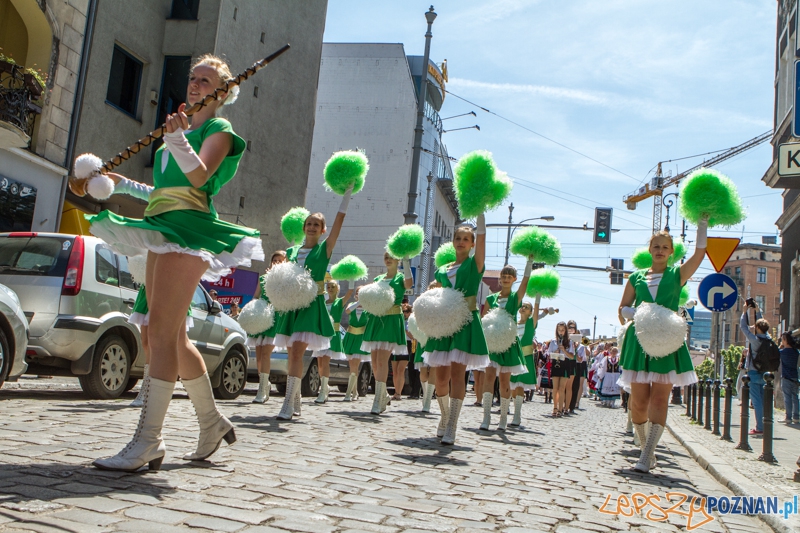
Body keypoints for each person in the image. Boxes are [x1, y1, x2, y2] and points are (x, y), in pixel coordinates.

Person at [91, 54, 262, 471]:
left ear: (223, 92)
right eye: (192, 78)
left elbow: (199, 178)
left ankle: (147, 441)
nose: (195, 85)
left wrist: (176, 138)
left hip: (187, 233)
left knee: (164, 336)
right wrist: (121, 183)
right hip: (162, 225)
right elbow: (164, 192)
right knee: (156, 334)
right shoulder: (178, 131)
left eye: (205, 81)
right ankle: (211, 422)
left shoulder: (219, 130)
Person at [618, 224, 706, 474]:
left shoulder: (678, 274)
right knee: (638, 404)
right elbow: (622, 308)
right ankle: (645, 446)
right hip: (640, 341)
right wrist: (640, 314)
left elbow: (700, 254)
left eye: (665, 247)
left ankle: (647, 455)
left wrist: (702, 223)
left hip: (667, 343)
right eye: (656, 246)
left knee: (659, 398)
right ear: (649, 249)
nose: (659, 250)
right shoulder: (636, 277)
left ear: (671, 252)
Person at [273, 204, 350, 420]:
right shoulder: (292, 251)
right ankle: (296, 401)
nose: (312, 227)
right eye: (309, 224)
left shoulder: (324, 249)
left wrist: (345, 197)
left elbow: (339, 224)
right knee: (292, 354)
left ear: (323, 230)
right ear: (303, 227)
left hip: (311, 304)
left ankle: (287, 404)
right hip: (293, 306)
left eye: (317, 224)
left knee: (297, 352)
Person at [423, 217, 488, 445]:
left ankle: (452, 425)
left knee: (458, 375)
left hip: (464, 323)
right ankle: (444, 416)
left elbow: (482, 241)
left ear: (471, 244)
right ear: (453, 242)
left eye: (466, 239)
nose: (461, 242)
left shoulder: (474, 265)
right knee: (440, 378)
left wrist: (480, 214)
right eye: (458, 238)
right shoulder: (442, 270)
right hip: (444, 325)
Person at [480, 263, 532, 431]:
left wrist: (529, 263)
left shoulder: (516, 299)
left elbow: (525, 282)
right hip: (492, 344)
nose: (506, 279)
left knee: (504, 381)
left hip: (508, 343)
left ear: (513, 279)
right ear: (500, 279)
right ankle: (486, 416)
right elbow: (484, 320)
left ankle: (503, 417)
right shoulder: (490, 299)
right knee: (488, 377)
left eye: (509, 277)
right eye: (503, 276)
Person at [362, 252, 413, 414]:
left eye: (391, 257)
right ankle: (382, 394)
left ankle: (378, 399)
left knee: (383, 361)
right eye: (385, 257)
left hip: (391, 320)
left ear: (397, 260)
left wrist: (406, 262)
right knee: (375, 362)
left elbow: (409, 284)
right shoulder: (378, 279)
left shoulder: (400, 278)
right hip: (377, 320)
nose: (388, 259)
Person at [248, 250, 287, 404]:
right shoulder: (263, 278)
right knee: (258, 356)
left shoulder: (285, 280)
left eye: (280, 260)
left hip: (275, 318)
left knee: (265, 354)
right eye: (274, 260)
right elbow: (256, 296)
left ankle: (261, 390)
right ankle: (266, 384)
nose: (277, 262)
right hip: (261, 317)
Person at [313, 280, 353, 404]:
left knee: (325, 361)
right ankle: (325, 387)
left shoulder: (340, 302)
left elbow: (350, 292)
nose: (330, 288)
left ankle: (323, 390)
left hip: (333, 334)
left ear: (338, 289)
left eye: (333, 286)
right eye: (328, 286)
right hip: (322, 334)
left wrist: (351, 277)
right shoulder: (323, 303)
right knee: (319, 363)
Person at [509, 300, 548, 426]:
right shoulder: (513, 322)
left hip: (525, 357)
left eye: (527, 307)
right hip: (513, 356)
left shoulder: (531, 323)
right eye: (522, 306)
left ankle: (517, 415)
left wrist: (537, 296)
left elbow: (537, 311)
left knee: (520, 385)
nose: (523, 308)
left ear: (531, 312)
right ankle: (514, 411)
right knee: (513, 386)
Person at [738, 304, 771, 434]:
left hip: (753, 372)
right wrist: (757, 311)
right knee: (763, 401)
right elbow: (762, 326)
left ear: (757, 328)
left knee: (756, 402)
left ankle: (760, 428)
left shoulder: (754, 340)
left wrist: (745, 311)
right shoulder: (768, 339)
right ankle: (766, 425)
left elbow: (743, 327)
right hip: (765, 374)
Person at [342, 287, 369, 401]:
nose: (359, 294)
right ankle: (354, 392)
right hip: (351, 336)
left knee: (355, 365)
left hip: (360, 338)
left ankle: (349, 393)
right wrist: (359, 302)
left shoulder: (368, 307)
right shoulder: (352, 305)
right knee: (352, 366)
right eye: (358, 293)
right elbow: (347, 311)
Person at [547, 322, 574, 417]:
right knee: (555, 388)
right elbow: (548, 354)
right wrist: (555, 352)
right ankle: (554, 407)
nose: (561, 332)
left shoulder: (569, 342)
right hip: (556, 363)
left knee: (562, 388)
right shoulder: (553, 341)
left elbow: (571, 356)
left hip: (565, 364)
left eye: (562, 330)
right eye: (559, 330)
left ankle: (560, 408)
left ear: (565, 330)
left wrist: (564, 350)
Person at [779, 332, 799, 424]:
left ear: (785, 340)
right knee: (795, 397)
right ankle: (796, 416)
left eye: (782, 339)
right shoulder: (796, 352)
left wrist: (780, 347)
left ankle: (788, 417)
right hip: (795, 377)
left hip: (786, 377)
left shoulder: (783, 352)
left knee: (787, 397)